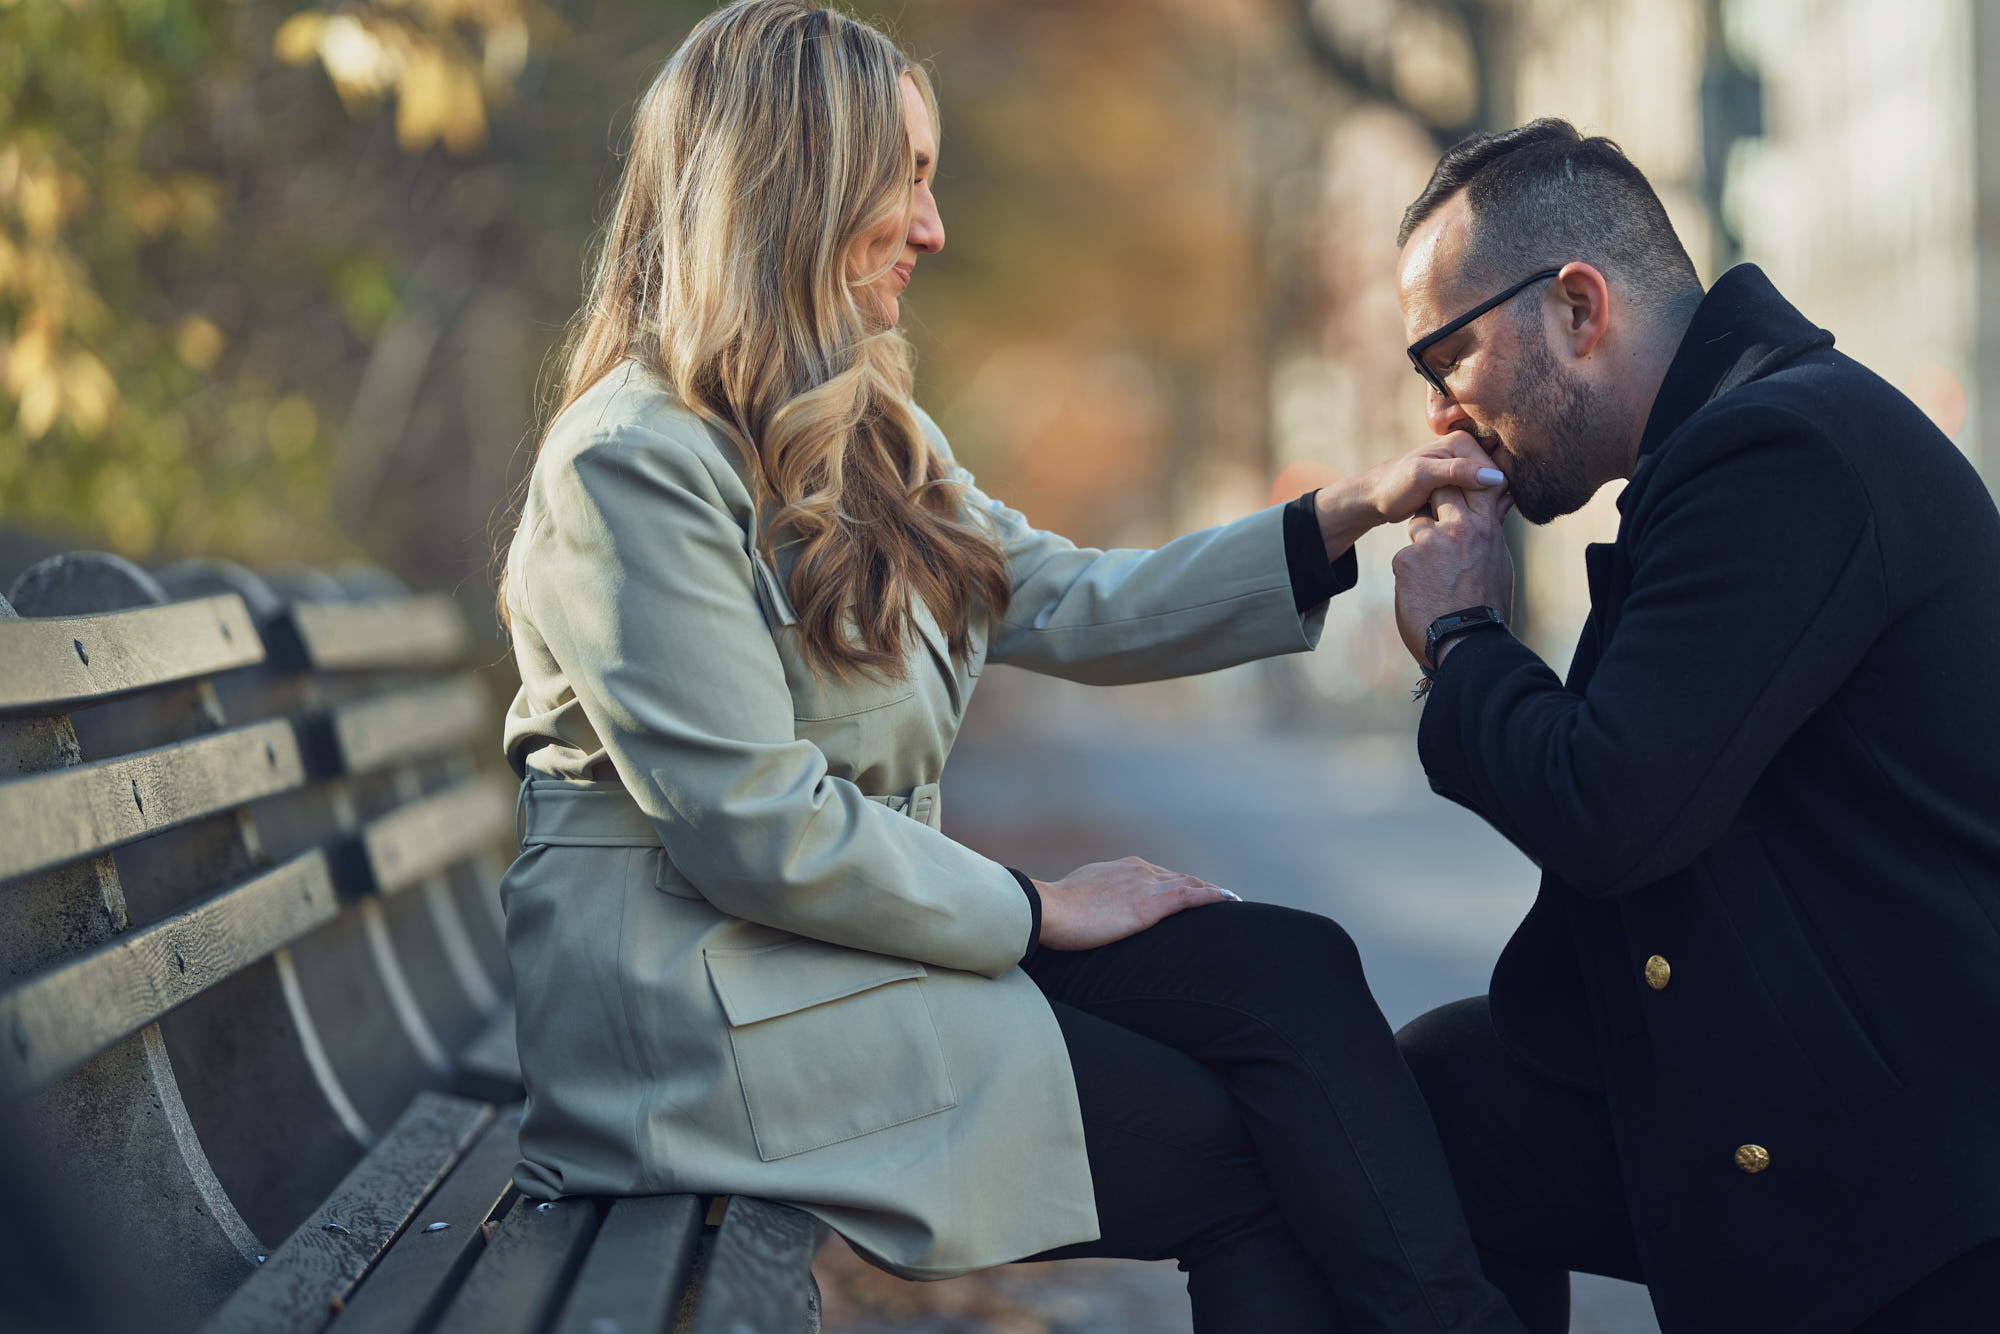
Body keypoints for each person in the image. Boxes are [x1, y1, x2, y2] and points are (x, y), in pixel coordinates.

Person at [495, 2, 1527, 1330]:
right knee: (1244, 1149)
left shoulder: (866, 433)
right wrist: (1038, 906)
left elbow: (1071, 599)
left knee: (1288, 972)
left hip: (829, 957)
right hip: (707, 1021)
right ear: (792, 191)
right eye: (907, 179)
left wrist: (1350, 511)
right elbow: (750, 828)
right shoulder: (629, 463)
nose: (933, 228)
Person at [1386, 117, 2000, 1333]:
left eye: (1444, 357)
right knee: (1431, 1101)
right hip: (1815, 1108)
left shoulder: (1782, 450)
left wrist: (1462, 640)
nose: (1443, 419)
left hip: (1913, 1197)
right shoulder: (1725, 446)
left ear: (1575, 306)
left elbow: (1609, 806)